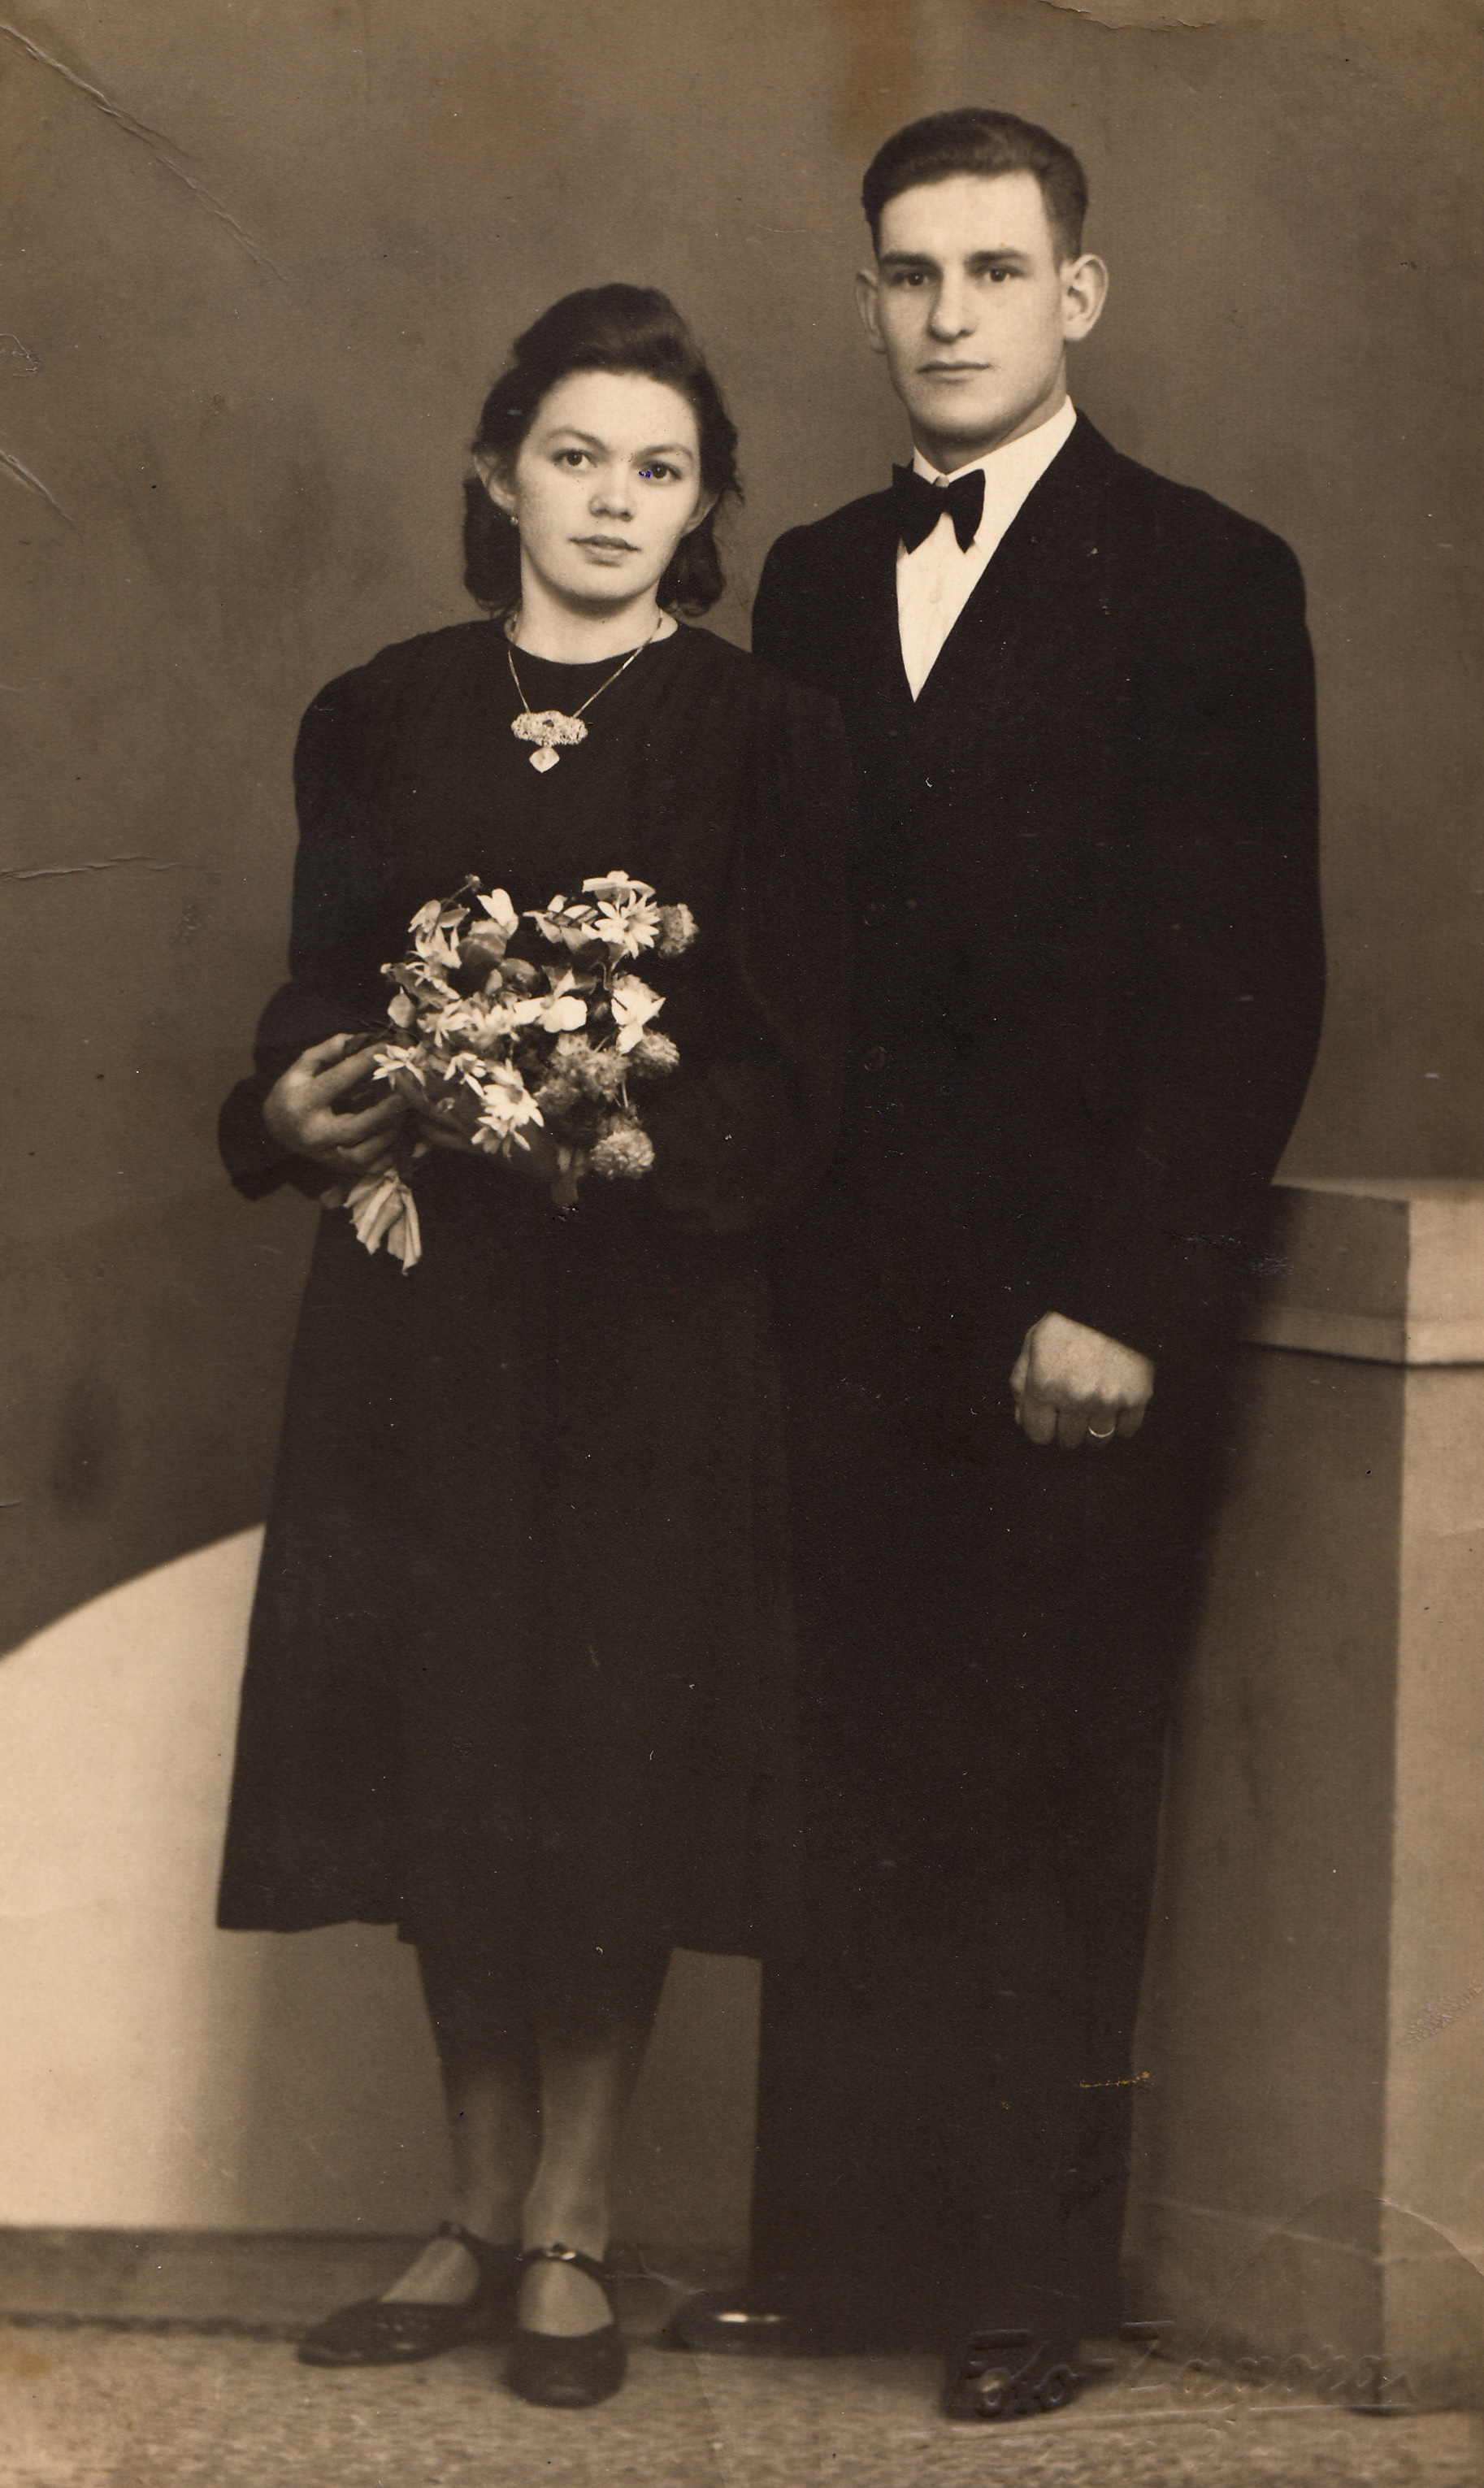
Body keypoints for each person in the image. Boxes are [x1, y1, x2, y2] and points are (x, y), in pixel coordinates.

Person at [675, 109, 1326, 2414]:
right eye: (907, 273)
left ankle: (1020, 2282)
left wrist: (1129, 1296)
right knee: (850, 1759)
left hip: (1078, 1304)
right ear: (864, 299)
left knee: (1045, 1770)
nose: (945, 313)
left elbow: (1251, 978)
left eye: (990, 269)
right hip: (842, 1295)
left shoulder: (1209, 573)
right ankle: (844, 2255)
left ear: (1078, 295)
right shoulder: (810, 579)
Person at [215, 284, 851, 2409]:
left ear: (704, 507)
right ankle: (473, 2206)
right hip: (426, 1321)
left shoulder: (765, 737)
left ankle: (574, 2217)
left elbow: (803, 1073)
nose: (611, 501)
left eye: (659, 470)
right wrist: (302, 1097)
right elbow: (316, 989)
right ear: (499, 473)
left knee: (608, 1755)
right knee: (451, 1747)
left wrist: (623, 1121)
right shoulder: (378, 709)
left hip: (655, 1329)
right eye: (574, 457)